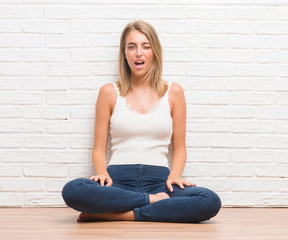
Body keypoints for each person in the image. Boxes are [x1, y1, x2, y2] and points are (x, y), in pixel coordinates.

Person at [61, 20, 221, 223]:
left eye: (146, 46)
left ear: (155, 52)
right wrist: (101, 173)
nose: (139, 53)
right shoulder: (109, 92)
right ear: (124, 53)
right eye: (132, 47)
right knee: (73, 190)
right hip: (117, 181)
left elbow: (180, 148)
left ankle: (124, 214)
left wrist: (175, 175)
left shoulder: (174, 92)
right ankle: (151, 202)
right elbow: (98, 149)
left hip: (160, 183)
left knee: (209, 200)